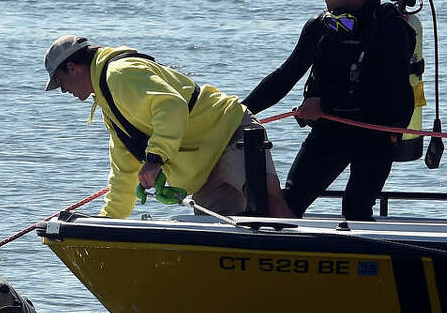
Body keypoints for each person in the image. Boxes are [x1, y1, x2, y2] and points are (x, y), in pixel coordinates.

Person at [242, 0, 416, 221]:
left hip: (376, 132)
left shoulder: (390, 29)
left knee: (356, 210)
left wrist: (324, 104)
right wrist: (239, 111)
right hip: (330, 130)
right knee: (286, 205)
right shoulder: (320, 27)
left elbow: (388, 96)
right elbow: (285, 76)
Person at [44, 36, 290, 220]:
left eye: (60, 81)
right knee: (223, 239)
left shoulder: (120, 74)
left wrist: (155, 159)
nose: (63, 90)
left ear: (72, 67)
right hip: (204, 170)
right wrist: (107, 222)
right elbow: (123, 170)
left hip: (231, 134)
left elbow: (171, 105)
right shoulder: (108, 102)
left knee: (271, 209)